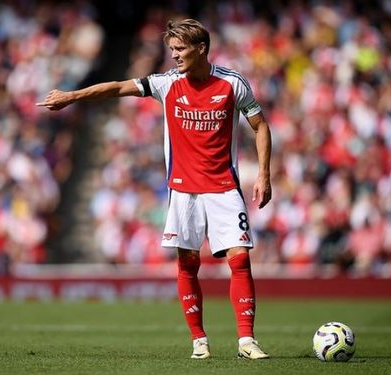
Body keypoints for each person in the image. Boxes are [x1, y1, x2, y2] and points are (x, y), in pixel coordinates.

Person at [37, 18, 272, 360]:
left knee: (240, 261)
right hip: (183, 190)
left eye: (180, 49)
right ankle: (199, 341)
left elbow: (260, 125)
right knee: (188, 264)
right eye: (171, 49)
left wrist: (264, 174)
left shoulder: (232, 84)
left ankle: (246, 341)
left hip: (223, 187)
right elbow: (118, 87)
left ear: (201, 49)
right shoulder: (166, 83)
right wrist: (72, 96)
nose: (174, 56)